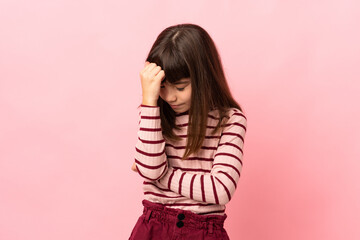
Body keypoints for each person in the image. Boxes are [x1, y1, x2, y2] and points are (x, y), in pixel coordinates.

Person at [128, 23, 247, 240]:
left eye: (180, 87)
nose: (171, 96)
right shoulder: (153, 114)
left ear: (204, 79)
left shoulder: (230, 120)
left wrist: (163, 175)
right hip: (153, 228)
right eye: (162, 86)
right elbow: (151, 169)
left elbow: (221, 190)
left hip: (204, 231)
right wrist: (149, 101)